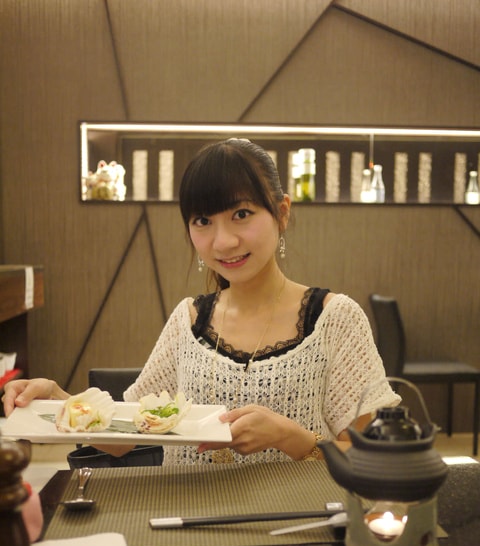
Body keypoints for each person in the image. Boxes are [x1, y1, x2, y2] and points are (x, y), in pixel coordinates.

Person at [2, 138, 400, 466]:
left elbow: (375, 458)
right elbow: (124, 436)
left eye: (241, 214)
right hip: (185, 522)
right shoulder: (189, 320)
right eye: (203, 221)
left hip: (296, 527)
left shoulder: (333, 319)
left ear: (281, 213)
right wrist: (58, 399)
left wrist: (290, 437)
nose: (222, 241)